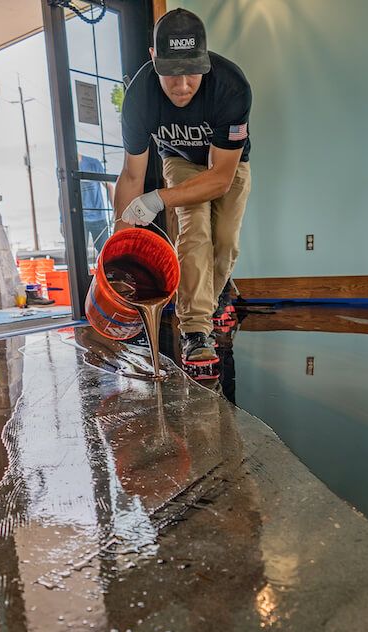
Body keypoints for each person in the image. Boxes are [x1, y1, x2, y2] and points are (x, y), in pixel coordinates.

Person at [113, 8, 252, 367]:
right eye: (171, 73)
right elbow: (131, 175)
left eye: (192, 71)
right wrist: (119, 247)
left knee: (225, 240)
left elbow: (220, 178)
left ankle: (215, 295)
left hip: (227, 163)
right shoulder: (140, 99)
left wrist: (158, 198)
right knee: (195, 234)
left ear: (204, 60)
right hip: (180, 161)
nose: (183, 85)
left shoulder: (232, 86)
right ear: (154, 58)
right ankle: (195, 331)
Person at [78, 152, 115, 260]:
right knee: (79, 256)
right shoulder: (64, 166)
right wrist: (62, 220)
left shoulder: (93, 163)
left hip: (99, 217)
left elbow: (109, 186)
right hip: (79, 219)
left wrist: (115, 210)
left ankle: (104, 276)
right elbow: (62, 194)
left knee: (106, 253)